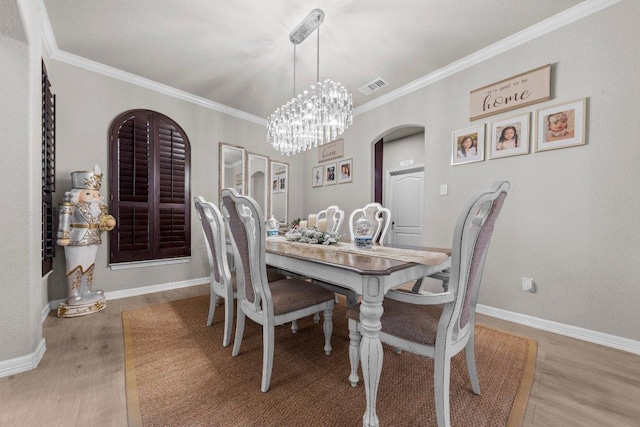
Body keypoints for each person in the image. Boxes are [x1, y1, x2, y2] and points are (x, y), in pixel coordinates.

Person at [57, 165, 116, 317]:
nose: (94, 196)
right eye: (89, 193)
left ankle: (86, 291)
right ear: (77, 193)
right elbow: (65, 220)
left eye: (96, 193)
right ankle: (73, 294)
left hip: (93, 238)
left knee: (89, 265)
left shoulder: (97, 208)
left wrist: (108, 222)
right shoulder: (71, 205)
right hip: (76, 238)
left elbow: (103, 221)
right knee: (75, 266)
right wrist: (63, 236)